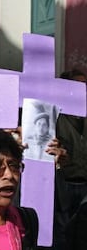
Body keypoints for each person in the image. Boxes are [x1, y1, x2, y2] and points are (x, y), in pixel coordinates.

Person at [51, 69, 87, 249]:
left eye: (84, 85)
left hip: (85, 185)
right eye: (77, 85)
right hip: (64, 183)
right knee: (63, 230)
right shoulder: (57, 117)